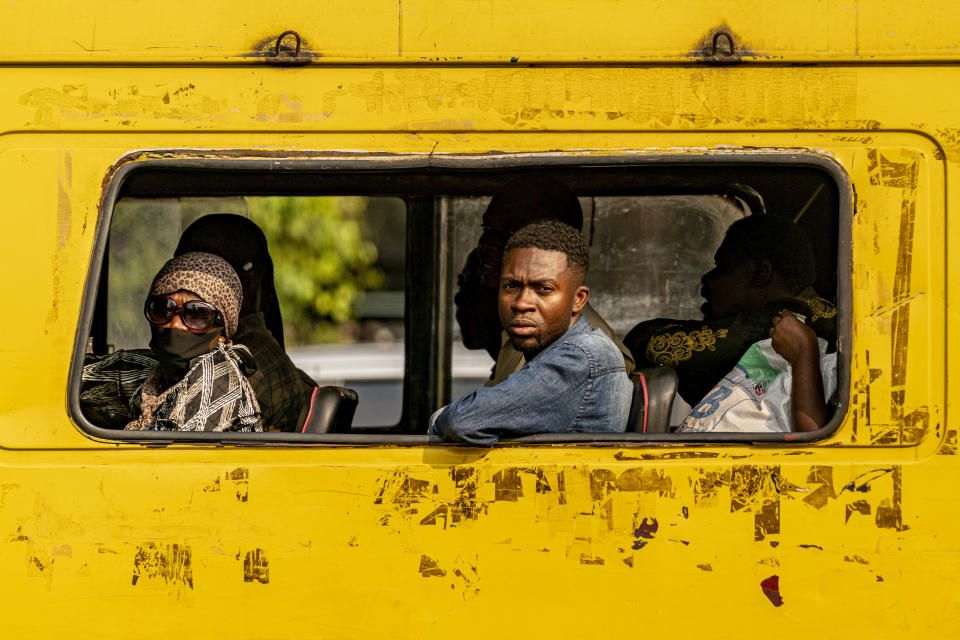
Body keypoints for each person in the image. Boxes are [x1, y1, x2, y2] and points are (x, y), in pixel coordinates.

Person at [432, 221, 632, 445]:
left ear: (578, 300)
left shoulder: (580, 357)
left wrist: (437, 419)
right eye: (511, 286)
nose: (521, 303)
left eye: (543, 289)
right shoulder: (546, 351)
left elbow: (460, 421)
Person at [625, 215, 837, 409]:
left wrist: (642, 335)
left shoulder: (794, 318)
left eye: (722, 267)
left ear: (760, 274)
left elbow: (651, 344)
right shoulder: (820, 313)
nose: (707, 280)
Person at [454, 173, 635, 383]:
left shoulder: (578, 354)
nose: (485, 244)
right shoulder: (524, 334)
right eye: (487, 229)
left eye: (511, 233)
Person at [80, 252, 262, 432]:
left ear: (222, 331)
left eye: (197, 314)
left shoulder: (216, 386)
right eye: (163, 308)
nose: (175, 324)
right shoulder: (160, 372)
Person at [174, 214, 317, 432]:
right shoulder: (214, 351)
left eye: (202, 270)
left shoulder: (244, 367)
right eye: (177, 268)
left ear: (245, 283)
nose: (181, 282)